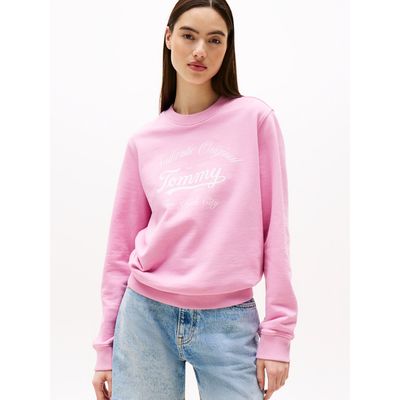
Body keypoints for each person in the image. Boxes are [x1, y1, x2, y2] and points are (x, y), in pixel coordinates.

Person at [91, 1, 298, 399]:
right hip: (144, 317)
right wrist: (105, 348)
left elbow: (276, 233)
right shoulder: (144, 141)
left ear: (227, 47)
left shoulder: (254, 120)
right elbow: (119, 250)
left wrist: (278, 335)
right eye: (189, 36)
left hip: (229, 322)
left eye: (214, 40)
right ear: (169, 38)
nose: (200, 50)